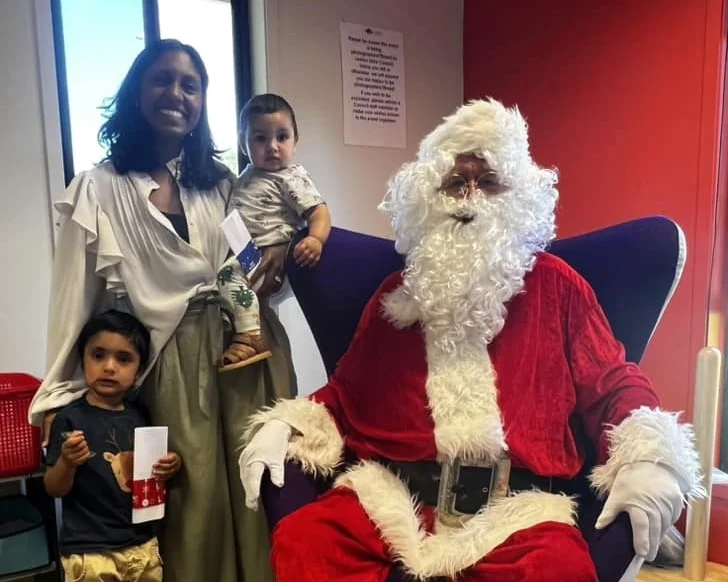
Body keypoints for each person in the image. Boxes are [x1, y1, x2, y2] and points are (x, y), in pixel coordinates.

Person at [238, 99, 703, 581]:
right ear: (430, 198)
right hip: (389, 497)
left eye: (489, 182)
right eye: (456, 183)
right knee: (308, 542)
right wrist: (287, 425)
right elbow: (346, 393)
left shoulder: (557, 286)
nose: (470, 197)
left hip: (517, 511)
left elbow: (611, 382)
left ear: (516, 195)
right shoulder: (396, 295)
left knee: (556, 569)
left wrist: (649, 455)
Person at [29, 39, 295, 582]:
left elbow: (247, 264)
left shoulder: (218, 183)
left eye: (190, 84)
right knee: (189, 495)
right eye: (162, 79)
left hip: (246, 348)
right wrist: (59, 392)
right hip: (168, 361)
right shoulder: (98, 189)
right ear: (136, 92)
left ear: (202, 102)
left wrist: (278, 252)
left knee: (258, 481)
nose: (176, 93)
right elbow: (75, 297)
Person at [44, 310, 180, 582]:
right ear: (82, 361)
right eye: (98, 355)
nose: (109, 367)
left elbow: (150, 475)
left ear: (140, 369)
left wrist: (171, 465)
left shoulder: (142, 415)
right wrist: (67, 462)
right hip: (89, 550)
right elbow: (53, 488)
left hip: (142, 545)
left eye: (124, 359)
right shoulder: (69, 418)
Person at [219, 94, 331, 367]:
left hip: (264, 254)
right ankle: (246, 327)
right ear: (243, 143)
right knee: (230, 288)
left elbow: (319, 211)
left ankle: (250, 336)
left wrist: (315, 238)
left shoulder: (291, 177)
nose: (272, 147)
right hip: (246, 248)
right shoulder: (247, 175)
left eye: (282, 137)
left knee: (226, 277)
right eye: (260, 138)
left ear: (295, 141)